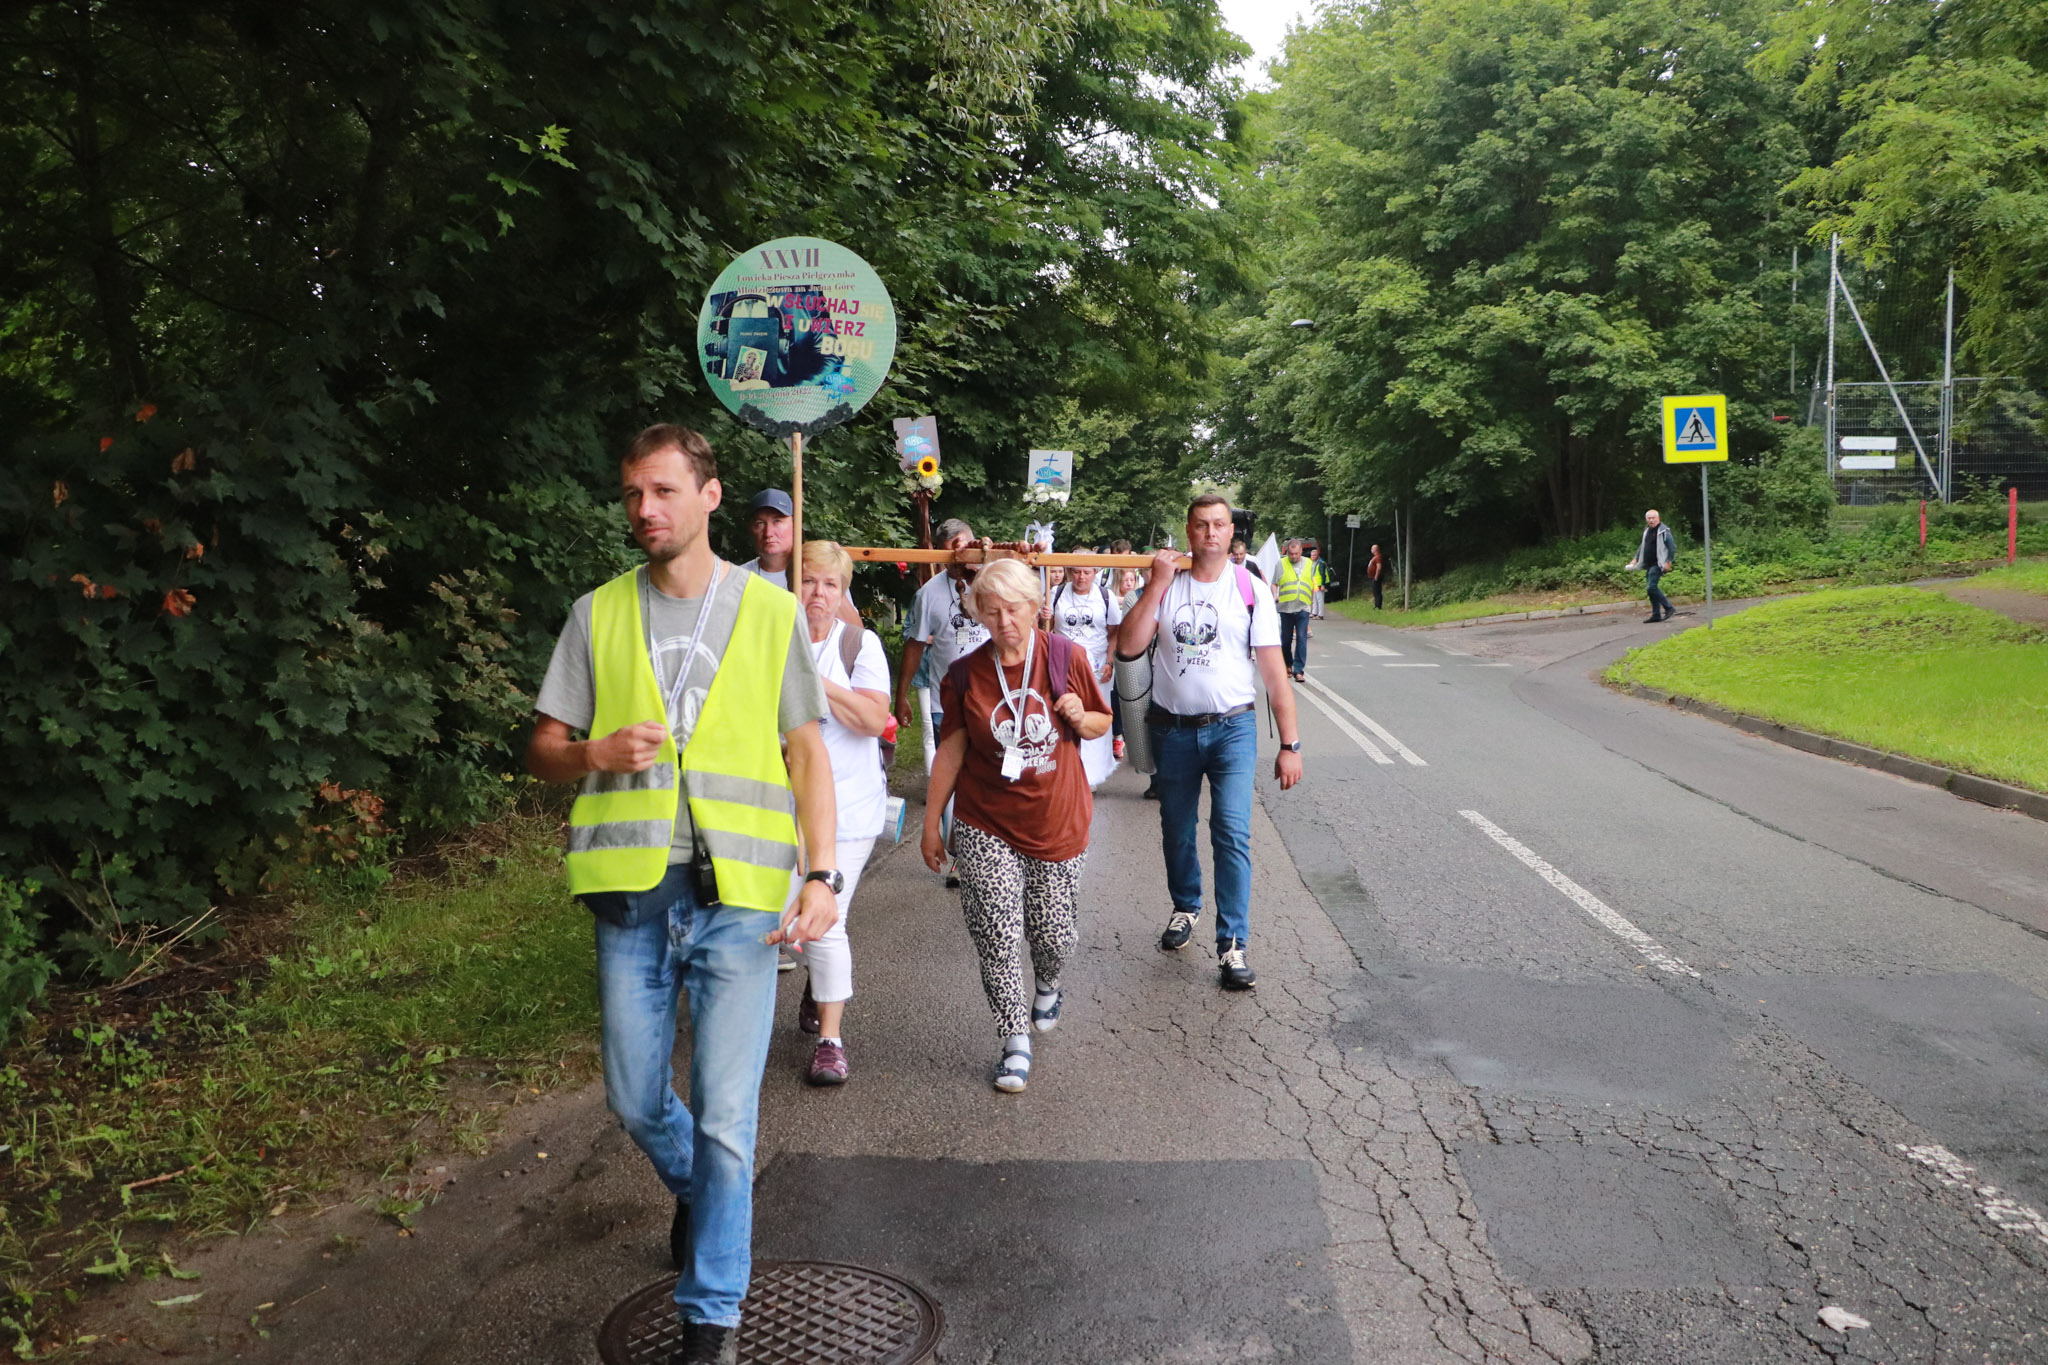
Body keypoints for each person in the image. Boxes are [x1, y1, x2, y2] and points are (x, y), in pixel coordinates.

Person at [526, 424, 839, 1365]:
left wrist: (821, 874)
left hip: (741, 898)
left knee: (727, 1114)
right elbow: (543, 749)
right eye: (632, 493)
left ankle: (713, 1317)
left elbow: (807, 752)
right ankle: (704, 1191)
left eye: (662, 490)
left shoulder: (770, 612)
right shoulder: (597, 613)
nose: (644, 509)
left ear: (709, 496)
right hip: (634, 894)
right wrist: (593, 750)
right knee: (632, 1096)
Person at [922, 558, 1112, 1092]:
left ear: (1035, 607)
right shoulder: (965, 674)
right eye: (992, 611)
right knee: (996, 931)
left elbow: (1101, 722)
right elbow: (951, 749)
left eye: (1014, 609)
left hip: (1056, 818)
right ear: (978, 614)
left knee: (1053, 935)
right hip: (985, 820)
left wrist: (1079, 716)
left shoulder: (1065, 656)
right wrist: (933, 823)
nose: (1004, 621)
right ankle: (1013, 1040)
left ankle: (1048, 982)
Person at [1118, 494, 1304, 992]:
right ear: (1188, 530)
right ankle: (1186, 906)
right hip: (1172, 728)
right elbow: (1129, 646)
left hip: (1232, 728)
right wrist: (1156, 585)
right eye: (1201, 525)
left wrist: (1290, 745)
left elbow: (1274, 673)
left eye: (1219, 524)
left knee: (1231, 831)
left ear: (1230, 531)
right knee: (1176, 828)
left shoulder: (1249, 588)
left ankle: (1232, 945)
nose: (1211, 533)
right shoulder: (1167, 582)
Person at [793, 540, 892, 1087]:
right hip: (781, 810)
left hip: (849, 810)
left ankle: (830, 1042)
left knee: (827, 920)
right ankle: (814, 983)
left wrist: (815, 681)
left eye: (830, 584)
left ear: (842, 593)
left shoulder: (859, 644)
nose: (818, 593)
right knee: (782, 915)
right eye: (808, 580)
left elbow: (873, 720)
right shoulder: (771, 640)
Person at [1043, 563, 1124, 787]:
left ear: (1094, 573)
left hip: (1096, 666)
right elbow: (1045, 628)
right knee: (1064, 714)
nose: (1081, 577)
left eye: (1087, 572)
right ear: (1070, 572)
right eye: (1077, 572)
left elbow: (1114, 633)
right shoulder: (1056, 593)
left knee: (1094, 714)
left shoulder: (1105, 596)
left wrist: (1110, 662)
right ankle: (1066, 769)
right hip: (1063, 664)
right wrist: (1043, 617)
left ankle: (1093, 774)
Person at [1625, 509, 1678, 623]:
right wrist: (1636, 558)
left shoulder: (1663, 531)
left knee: (1651, 587)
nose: (1651, 520)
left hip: (1658, 564)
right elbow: (1643, 546)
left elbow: (1672, 547)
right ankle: (1656, 615)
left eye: (1653, 518)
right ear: (1646, 519)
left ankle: (1669, 607)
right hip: (1648, 564)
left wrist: (1668, 562)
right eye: (1649, 518)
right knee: (1650, 590)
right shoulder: (1647, 531)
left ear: (1658, 518)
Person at [1273, 539, 1315, 683]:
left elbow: (1311, 583)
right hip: (1286, 608)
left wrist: (1311, 603)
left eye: (1296, 553)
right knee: (1286, 640)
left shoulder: (1309, 563)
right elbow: (1274, 583)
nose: (1294, 556)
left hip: (1303, 607)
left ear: (1301, 551)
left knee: (1302, 638)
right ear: (1287, 552)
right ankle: (1287, 664)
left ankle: (1299, 671)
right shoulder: (1281, 563)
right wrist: (1275, 595)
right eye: (1291, 554)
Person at [1307, 544, 1327, 618]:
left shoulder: (1321, 563)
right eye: (1311, 555)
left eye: (1314, 555)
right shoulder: (1313, 562)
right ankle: (1314, 613)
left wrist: (1323, 585)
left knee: (1320, 600)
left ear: (1317, 555)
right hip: (1314, 583)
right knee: (1314, 599)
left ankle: (1321, 615)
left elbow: (1323, 575)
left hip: (1319, 584)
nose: (1312, 557)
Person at [1366, 543, 1385, 610]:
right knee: (1375, 591)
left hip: (1375, 577)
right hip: (1372, 577)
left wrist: (1376, 577)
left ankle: (1378, 606)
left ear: (1375, 549)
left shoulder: (1378, 557)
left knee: (1377, 592)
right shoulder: (1375, 557)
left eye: (1372, 549)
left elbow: (1379, 567)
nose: (1371, 550)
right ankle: (1376, 605)